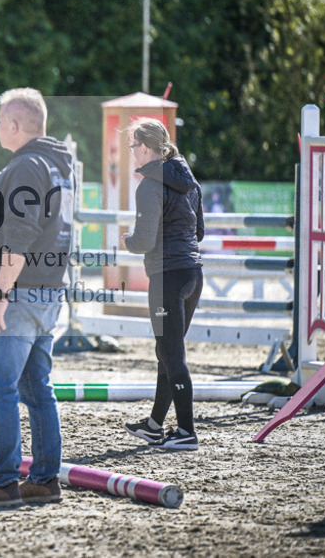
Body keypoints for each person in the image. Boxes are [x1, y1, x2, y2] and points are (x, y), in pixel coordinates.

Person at [0, 88, 74, 508]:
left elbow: (20, 234)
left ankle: (5, 480)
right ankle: (44, 479)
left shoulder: (26, 166)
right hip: (46, 291)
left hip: (20, 293)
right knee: (36, 387)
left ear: (14, 125)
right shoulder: (58, 164)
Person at [120, 118, 204, 451]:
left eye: (132, 148)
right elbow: (199, 233)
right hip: (193, 274)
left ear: (145, 147)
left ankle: (186, 431)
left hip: (166, 276)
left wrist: (127, 240)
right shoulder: (189, 180)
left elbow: (143, 240)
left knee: (171, 354)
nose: (132, 155)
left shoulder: (150, 185)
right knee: (166, 353)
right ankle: (156, 425)